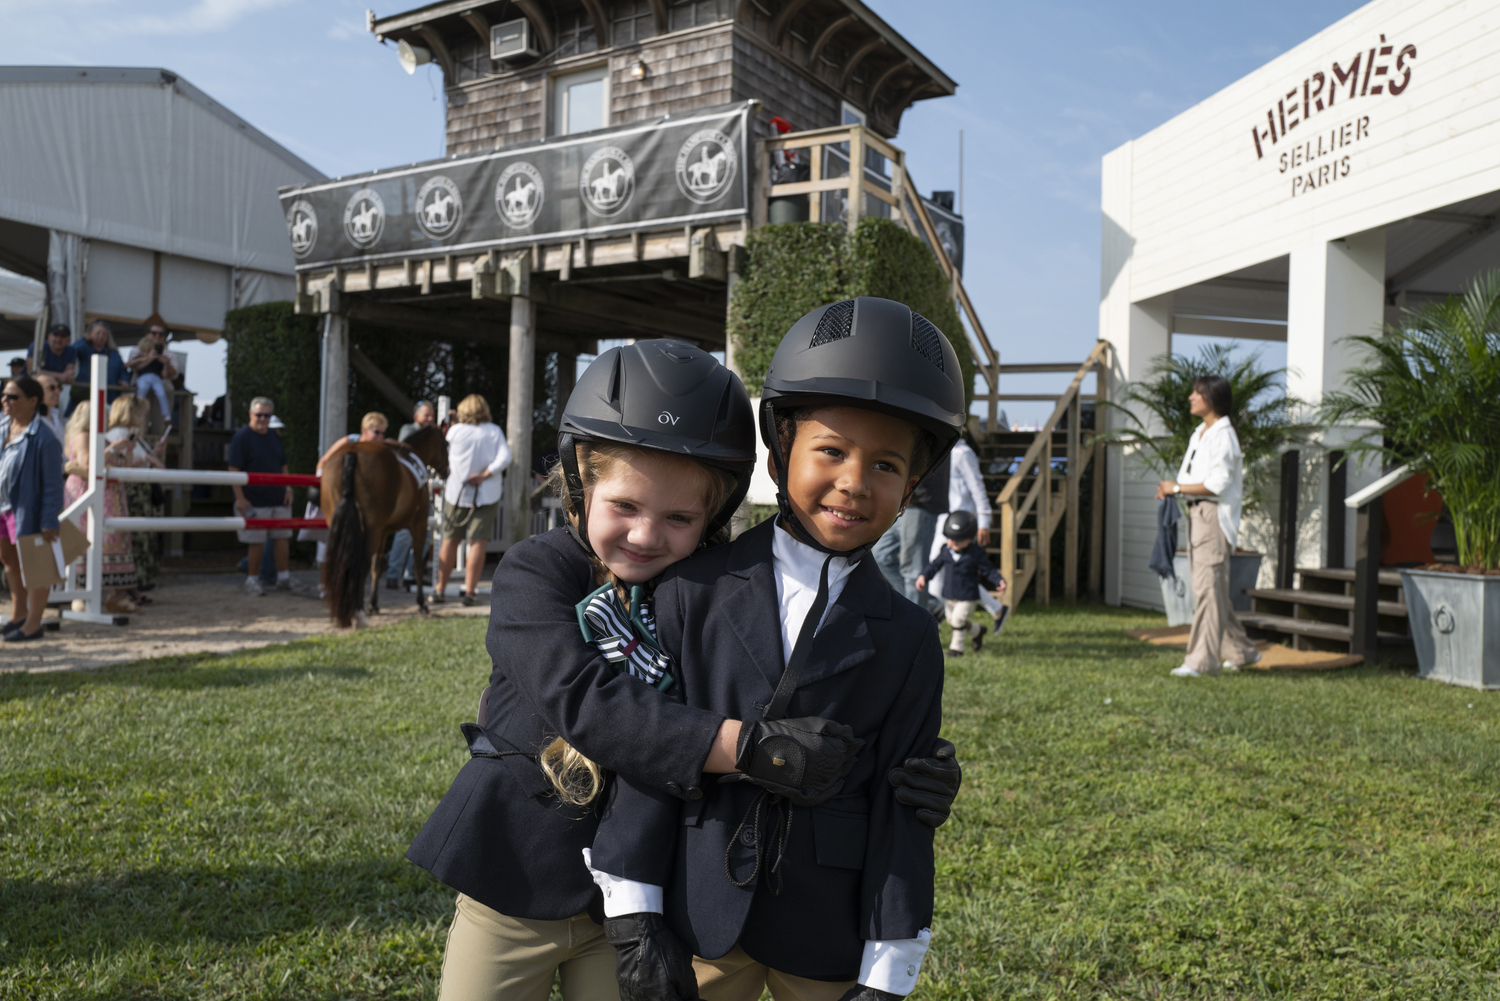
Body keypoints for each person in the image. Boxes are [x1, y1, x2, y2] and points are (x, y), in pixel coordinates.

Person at [405, 339, 959, 1001]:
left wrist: (900, 772)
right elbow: (588, 700)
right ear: (582, 484)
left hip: (643, 896)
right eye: (625, 507)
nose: (645, 536)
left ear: (713, 517)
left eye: (678, 518)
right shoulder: (536, 572)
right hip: (521, 866)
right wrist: (749, 748)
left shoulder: (697, 588)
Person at [589, 298, 967, 1001]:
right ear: (777, 451)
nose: (855, 482)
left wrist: (890, 974)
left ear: (912, 486)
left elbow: (902, 816)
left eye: (885, 465)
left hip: (826, 932)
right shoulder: (690, 590)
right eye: (831, 451)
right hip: (697, 917)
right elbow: (652, 754)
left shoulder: (913, 638)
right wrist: (634, 911)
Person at [1156, 374, 1261, 678]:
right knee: (1212, 590)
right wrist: (1172, 488)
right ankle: (1243, 652)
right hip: (1197, 516)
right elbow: (1192, 478)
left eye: (1197, 393)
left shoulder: (1223, 436)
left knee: (1207, 591)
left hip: (1212, 518)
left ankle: (1201, 661)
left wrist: (1176, 489)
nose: (1191, 397)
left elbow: (1217, 484)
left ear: (1212, 399)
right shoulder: (1201, 432)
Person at [0, 375, 64, 641]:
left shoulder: (45, 439)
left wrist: (49, 519)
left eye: (13, 397)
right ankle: (19, 615)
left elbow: (53, 485)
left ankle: (34, 624)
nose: (5, 401)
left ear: (32, 401)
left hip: (26, 509)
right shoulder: (3, 428)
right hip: (3, 508)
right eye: (4, 395)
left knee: (36, 567)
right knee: (10, 563)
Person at [924, 434, 1006, 627]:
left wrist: (984, 520)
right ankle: (995, 608)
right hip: (944, 518)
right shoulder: (941, 453)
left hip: (963, 522)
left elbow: (977, 487)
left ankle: (934, 617)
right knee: (950, 568)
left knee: (953, 568)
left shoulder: (963, 453)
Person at [435, 394, 508, 606]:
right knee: (478, 543)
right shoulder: (494, 431)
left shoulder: (455, 432)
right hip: (487, 493)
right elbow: (505, 458)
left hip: (457, 494)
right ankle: (470, 591)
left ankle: (440, 588)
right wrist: (485, 474)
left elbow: (442, 452)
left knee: (449, 540)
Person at [228, 396, 293, 597]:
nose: (263, 419)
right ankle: (252, 580)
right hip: (253, 498)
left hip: (278, 497)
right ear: (250, 414)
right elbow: (233, 468)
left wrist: (289, 488)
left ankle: (283, 578)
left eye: (267, 415)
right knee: (257, 542)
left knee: (282, 538)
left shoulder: (274, 436)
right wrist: (239, 497)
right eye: (259, 415)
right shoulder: (242, 437)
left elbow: (283, 464)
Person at [916, 511, 1005, 656]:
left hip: (968, 596)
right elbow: (934, 566)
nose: (954, 543)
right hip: (950, 595)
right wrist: (924, 576)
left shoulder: (975, 553)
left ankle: (957, 649)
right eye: (951, 539)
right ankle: (977, 631)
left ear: (970, 538)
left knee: (957, 621)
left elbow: (988, 569)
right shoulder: (946, 551)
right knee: (953, 621)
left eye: (960, 540)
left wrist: (998, 580)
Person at [387, 400, 437, 589]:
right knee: (404, 534)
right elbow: (407, 448)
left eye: (432, 415)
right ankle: (393, 574)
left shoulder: (432, 435)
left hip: (424, 490)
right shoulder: (408, 430)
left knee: (425, 533)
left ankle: (411, 574)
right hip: (408, 492)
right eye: (427, 415)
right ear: (416, 417)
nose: (431, 419)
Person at [71, 320, 129, 412]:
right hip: (85, 398)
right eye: (98, 333)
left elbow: (122, 370)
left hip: (109, 398)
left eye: (104, 334)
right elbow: (72, 350)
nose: (101, 336)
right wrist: (85, 339)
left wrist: (124, 380)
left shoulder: (114, 354)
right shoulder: (84, 349)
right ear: (90, 334)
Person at [129, 334, 173, 423]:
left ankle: (167, 416)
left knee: (161, 393)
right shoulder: (139, 358)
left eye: (148, 350)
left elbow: (164, 375)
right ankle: (138, 412)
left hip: (156, 379)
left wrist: (166, 364)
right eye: (144, 351)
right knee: (142, 390)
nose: (146, 353)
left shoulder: (158, 360)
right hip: (143, 378)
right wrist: (146, 359)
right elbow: (131, 365)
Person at [34, 373, 66, 445]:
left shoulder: (55, 415)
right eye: (52, 388)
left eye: (59, 387)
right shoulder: (30, 419)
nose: (57, 391)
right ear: (37, 391)